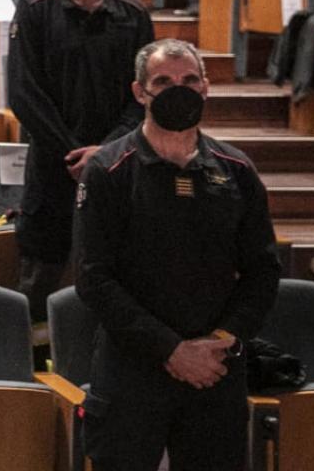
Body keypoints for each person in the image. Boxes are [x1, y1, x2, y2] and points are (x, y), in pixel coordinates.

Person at [74, 39, 280, 469]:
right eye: (163, 81)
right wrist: (171, 350)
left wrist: (220, 342)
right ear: (139, 92)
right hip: (132, 373)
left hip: (216, 371)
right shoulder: (109, 170)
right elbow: (94, 278)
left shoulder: (236, 170)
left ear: (205, 88)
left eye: (189, 80)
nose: (177, 89)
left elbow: (262, 271)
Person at [8, 0, 154, 322]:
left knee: (116, 277)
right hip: (53, 169)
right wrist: (75, 154)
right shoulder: (35, 9)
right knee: (40, 282)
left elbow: (141, 98)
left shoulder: (133, 16)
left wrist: (104, 154)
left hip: (117, 170)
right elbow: (24, 93)